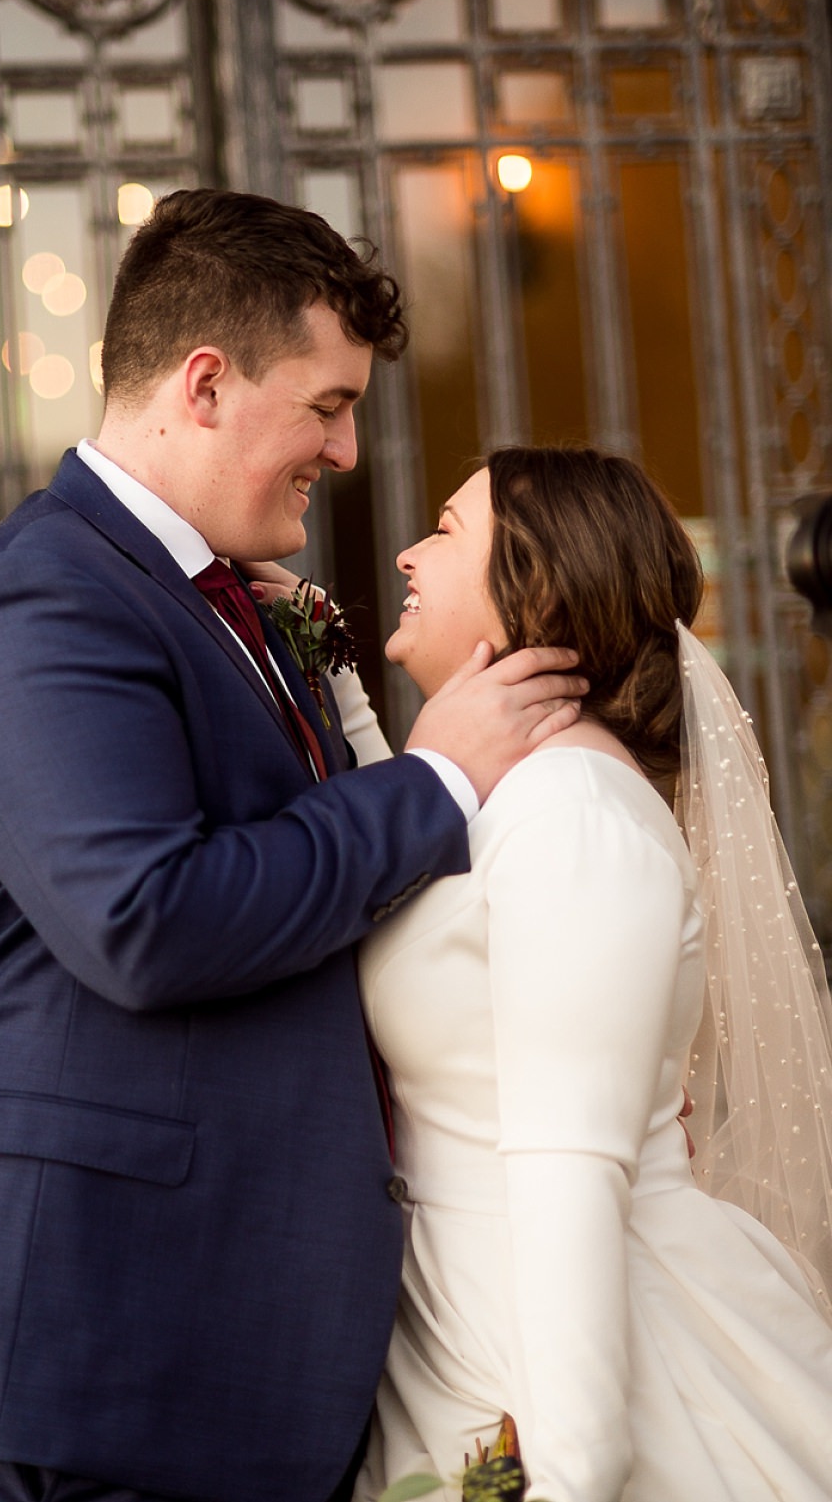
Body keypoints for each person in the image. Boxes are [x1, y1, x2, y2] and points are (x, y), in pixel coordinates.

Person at [0, 187, 589, 1502]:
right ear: (205, 385)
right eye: (326, 406)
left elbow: (322, 907)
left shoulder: (229, 605)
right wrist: (434, 782)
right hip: (99, 1349)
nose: (350, 451)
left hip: (214, 1349)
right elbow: (152, 918)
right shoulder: (39, 601)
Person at [353, 446, 832, 1502]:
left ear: (531, 587)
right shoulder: (498, 801)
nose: (405, 550)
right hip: (467, 1348)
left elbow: (567, 1168)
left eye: (442, 527)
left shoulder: (571, 815)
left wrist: (568, 1470)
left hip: (576, 1374)